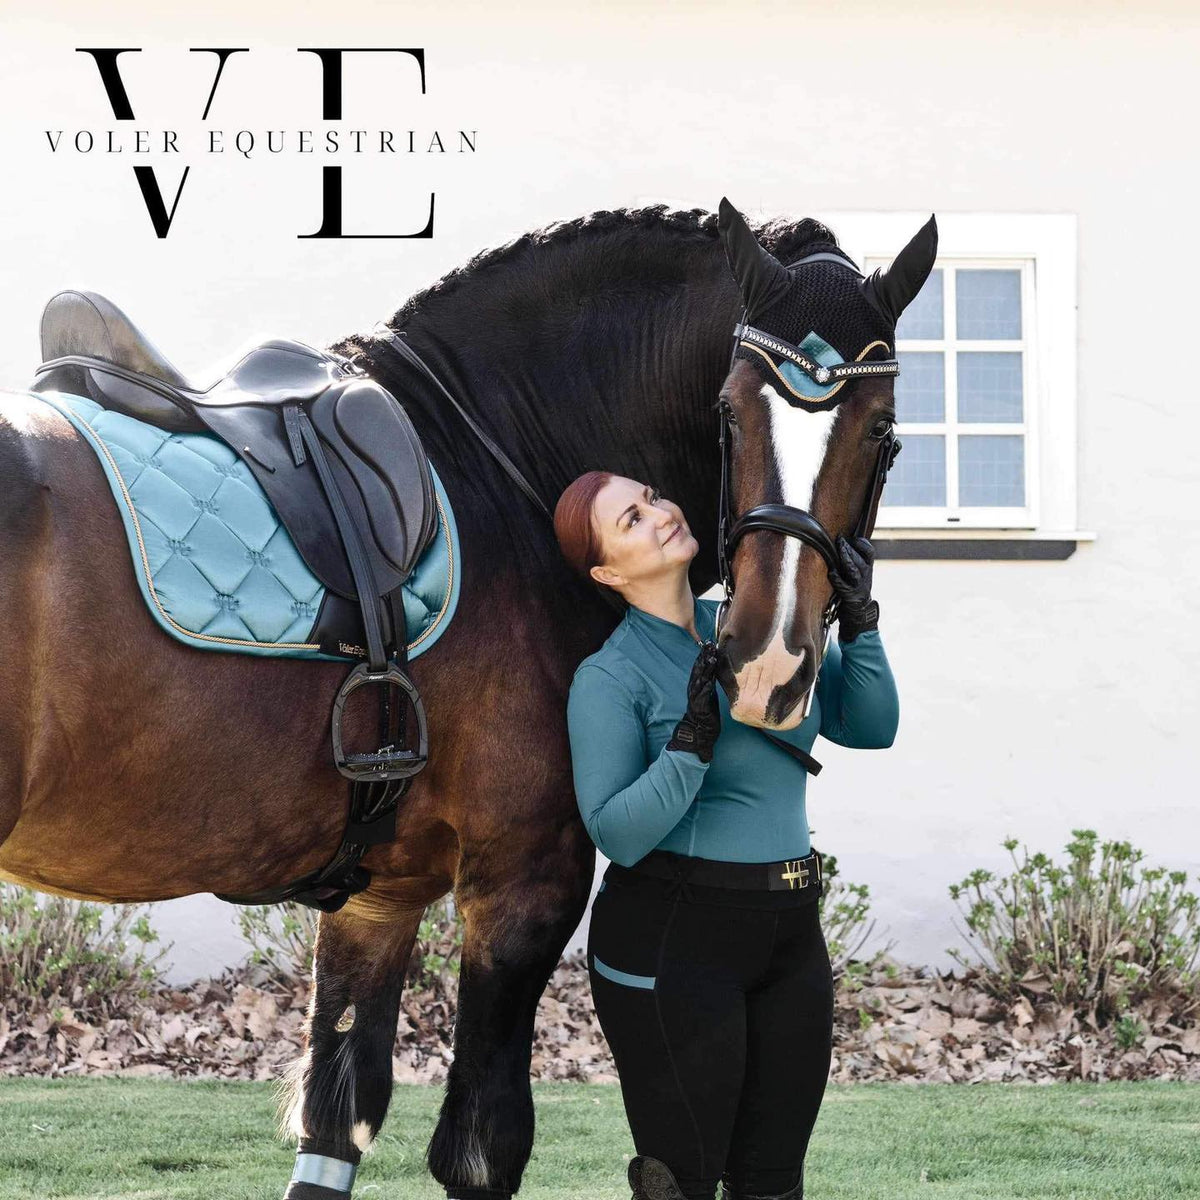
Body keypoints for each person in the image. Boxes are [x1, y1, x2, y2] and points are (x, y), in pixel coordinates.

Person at [553, 470, 899, 1200]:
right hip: (673, 941)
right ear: (608, 571)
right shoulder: (609, 677)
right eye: (631, 520)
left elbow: (870, 727)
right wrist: (687, 748)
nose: (659, 514)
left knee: (773, 1182)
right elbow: (617, 832)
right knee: (684, 1179)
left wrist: (861, 620)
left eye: (652, 498)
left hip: (790, 935)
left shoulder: (760, 619)